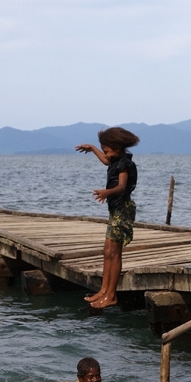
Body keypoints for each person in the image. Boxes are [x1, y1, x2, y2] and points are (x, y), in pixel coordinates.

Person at [75, 127, 140, 309]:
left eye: (107, 151)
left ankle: (111, 295)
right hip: (115, 210)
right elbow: (105, 161)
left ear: (117, 147)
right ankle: (103, 291)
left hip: (123, 210)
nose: (106, 155)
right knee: (107, 252)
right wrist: (92, 148)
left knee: (114, 252)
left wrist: (106, 193)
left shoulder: (125, 164)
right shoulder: (115, 159)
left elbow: (121, 187)